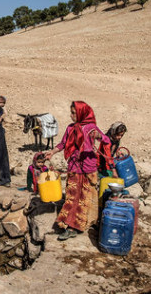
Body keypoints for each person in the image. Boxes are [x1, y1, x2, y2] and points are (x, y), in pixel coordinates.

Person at [45, 101, 110, 241]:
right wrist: (52, 152)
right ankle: (70, 225)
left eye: (74, 113)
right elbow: (63, 144)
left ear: (81, 113)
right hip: (74, 166)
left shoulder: (91, 128)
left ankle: (77, 226)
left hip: (88, 168)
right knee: (72, 196)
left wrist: (98, 136)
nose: (71, 115)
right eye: (71, 112)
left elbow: (106, 140)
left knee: (85, 198)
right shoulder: (70, 128)